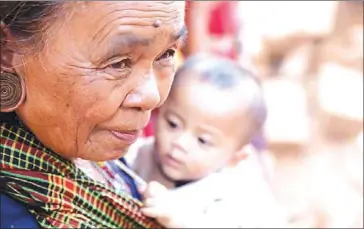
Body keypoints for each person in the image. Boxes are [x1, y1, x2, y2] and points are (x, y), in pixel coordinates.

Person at [0, 1, 186, 228]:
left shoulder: (89, 147)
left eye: (166, 53)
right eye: (118, 63)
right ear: (6, 53)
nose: (152, 96)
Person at [125, 54, 287, 228]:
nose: (180, 142)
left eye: (203, 140)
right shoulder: (139, 154)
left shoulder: (243, 197)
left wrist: (182, 222)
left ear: (236, 157)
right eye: (172, 124)